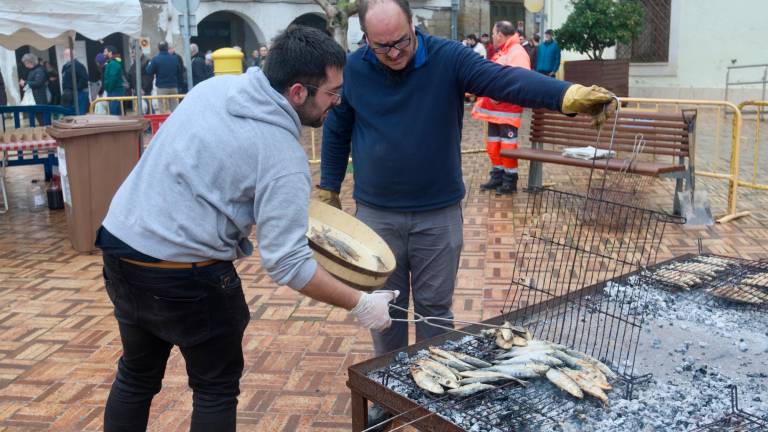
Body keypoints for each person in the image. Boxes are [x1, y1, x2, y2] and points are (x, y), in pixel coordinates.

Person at [97, 25, 396, 432]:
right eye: (332, 93)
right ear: (297, 92)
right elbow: (287, 263)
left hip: (121, 246)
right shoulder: (283, 156)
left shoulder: (213, 89)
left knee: (135, 375)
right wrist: (361, 304)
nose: (338, 103)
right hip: (185, 275)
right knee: (215, 390)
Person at [318, 0, 614, 359]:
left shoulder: (449, 58)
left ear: (414, 25)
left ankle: (431, 390)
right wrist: (329, 187)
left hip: (437, 215)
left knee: (435, 311)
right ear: (365, 37)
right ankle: (388, 386)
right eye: (382, 46)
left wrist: (566, 95)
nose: (394, 52)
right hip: (376, 217)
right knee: (385, 312)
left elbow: (505, 81)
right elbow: (336, 131)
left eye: (401, 41)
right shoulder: (353, 71)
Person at [472, 22, 531, 194]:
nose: (491, 37)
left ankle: (510, 181)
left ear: (500, 34)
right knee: (494, 145)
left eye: (493, 33)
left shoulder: (516, 52)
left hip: (506, 112)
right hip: (496, 112)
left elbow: (519, 80)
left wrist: (497, 95)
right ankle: (497, 176)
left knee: (507, 147)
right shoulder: (505, 51)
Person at [146, 42, 182, 111]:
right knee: (174, 107)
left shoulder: (156, 59)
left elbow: (149, 71)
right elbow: (179, 71)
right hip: (173, 86)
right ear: (167, 48)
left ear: (158, 49)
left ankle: (163, 121)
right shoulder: (174, 58)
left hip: (161, 87)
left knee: (162, 106)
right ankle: (175, 120)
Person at [61, 48, 90, 114]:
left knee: (80, 114)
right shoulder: (66, 66)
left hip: (79, 93)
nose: (64, 56)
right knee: (70, 113)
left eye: (66, 54)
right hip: (69, 94)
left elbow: (84, 79)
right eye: (64, 54)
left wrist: (76, 89)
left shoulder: (78, 66)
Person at [102, 46, 126, 115]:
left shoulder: (113, 64)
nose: (103, 53)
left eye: (105, 51)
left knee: (114, 113)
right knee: (115, 112)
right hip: (114, 91)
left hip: (115, 92)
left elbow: (112, 78)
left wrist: (108, 89)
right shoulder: (111, 63)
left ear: (110, 53)